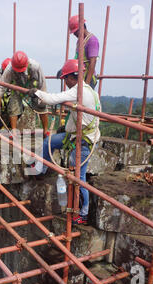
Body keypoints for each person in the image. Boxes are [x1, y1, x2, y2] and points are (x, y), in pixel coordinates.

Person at [29, 59, 101, 225]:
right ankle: (42, 169)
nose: (65, 83)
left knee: (79, 177)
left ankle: (82, 214)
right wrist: (67, 129)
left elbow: (53, 99)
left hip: (84, 141)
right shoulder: (89, 89)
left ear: (71, 77)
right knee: (50, 141)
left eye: (65, 79)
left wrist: (37, 93)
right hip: (78, 134)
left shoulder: (79, 90)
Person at [0, 51, 49, 137]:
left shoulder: (35, 66)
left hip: (33, 87)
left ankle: (46, 131)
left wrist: (43, 97)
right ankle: (14, 132)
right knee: (13, 106)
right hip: (18, 87)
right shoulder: (10, 69)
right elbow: (1, 86)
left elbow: (42, 84)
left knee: (41, 106)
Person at [69, 15, 99, 89]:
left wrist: (87, 85)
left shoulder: (92, 40)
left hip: (88, 77)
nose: (74, 34)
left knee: (86, 99)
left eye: (75, 32)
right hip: (80, 76)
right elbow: (76, 58)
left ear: (82, 28)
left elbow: (93, 62)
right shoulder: (80, 41)